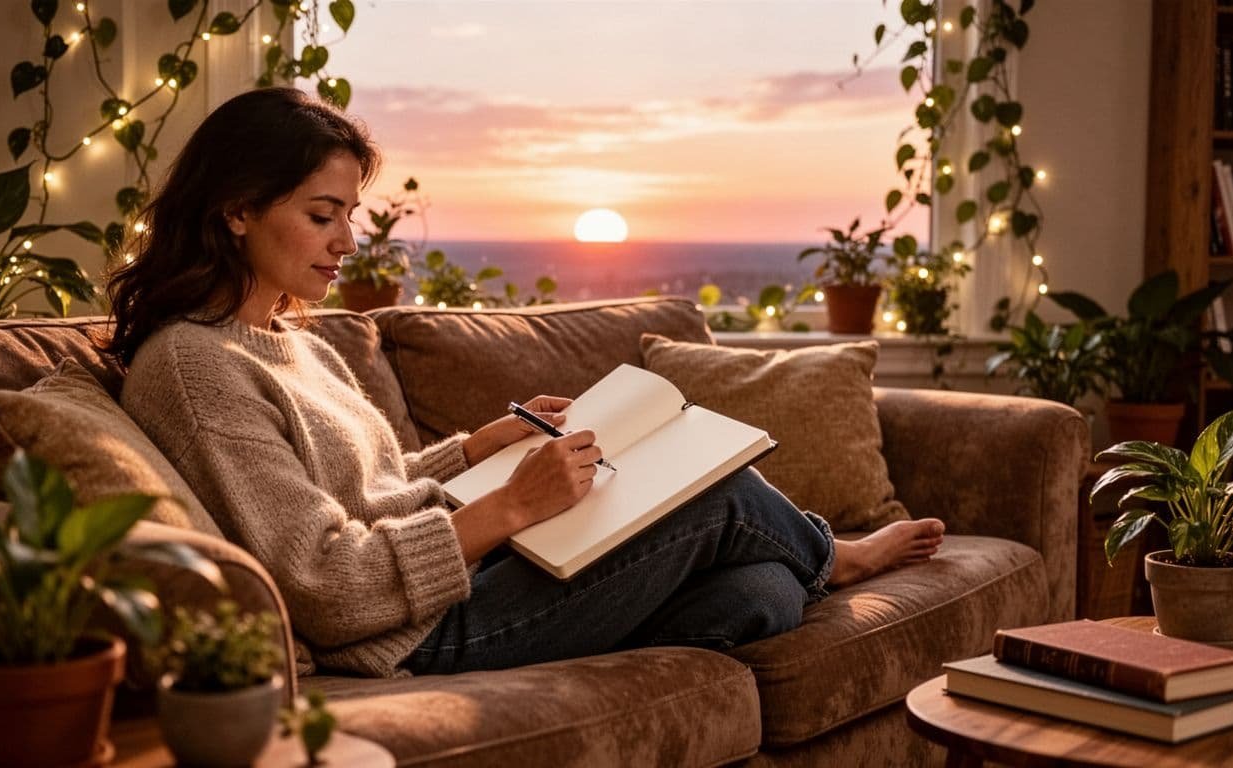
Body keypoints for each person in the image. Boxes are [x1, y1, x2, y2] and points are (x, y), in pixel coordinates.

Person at [104, 88, 945, 678]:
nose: (347, 240)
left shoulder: (293, 341)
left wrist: (480, 447)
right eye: (323, 215)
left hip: (466, 578)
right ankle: (833, 557)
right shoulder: (194, 367)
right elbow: (323, 581)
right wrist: (507, 507)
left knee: (759, 591)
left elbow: (370, 491)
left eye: (350, 215)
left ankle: (713, 587)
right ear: (237, 209)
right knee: (722, 502)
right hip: (415, 632)